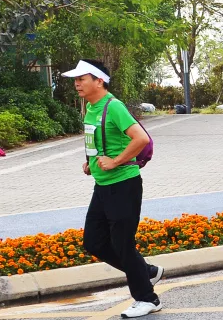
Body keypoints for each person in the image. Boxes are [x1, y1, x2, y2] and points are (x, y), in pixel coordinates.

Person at [62, 60, 163, 318]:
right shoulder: (90, 108)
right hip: (102, 186)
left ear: (99, 81)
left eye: (81, 79)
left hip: (123, 185)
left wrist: (116, 161)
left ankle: (148, 299)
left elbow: (141, 138)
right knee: (94, 242)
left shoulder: (113, 106)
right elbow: (98, 141)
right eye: (75, 80)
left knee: (122, 245)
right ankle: (146, 271)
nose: (76, 84)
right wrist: (91, 162)